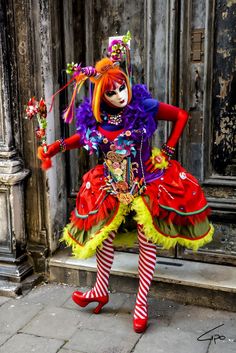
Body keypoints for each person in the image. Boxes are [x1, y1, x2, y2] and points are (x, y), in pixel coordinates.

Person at [38, 50, 214, 333]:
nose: (120, 95)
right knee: (103, 235)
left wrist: (168, 150)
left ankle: (141, 302)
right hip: (111, 184)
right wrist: (53, 148)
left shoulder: (143, 105)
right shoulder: (96, 120)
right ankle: (100, 290)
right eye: (112, 92)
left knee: (146, 240)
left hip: (148, 181)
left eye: (122, 87)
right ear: (100, 97)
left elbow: (181, 115)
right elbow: (78, 139)